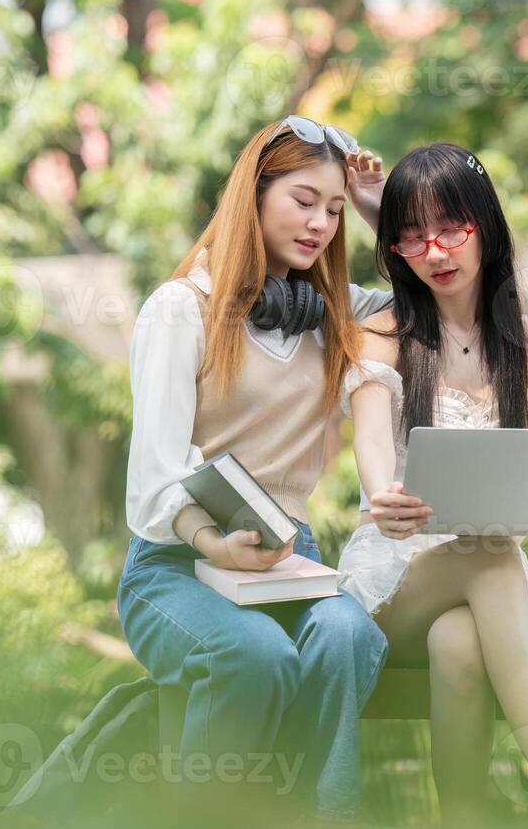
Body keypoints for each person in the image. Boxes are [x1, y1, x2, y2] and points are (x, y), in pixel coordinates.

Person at [339, 143, 528, 829]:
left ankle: (464, 818)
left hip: (484, 585)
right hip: (394, 575)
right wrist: (384, 493)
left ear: (486, 225)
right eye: (412, 236)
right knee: (490, 556)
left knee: (460, 640)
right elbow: (372, 439)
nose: (435, 250)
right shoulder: (384, 331)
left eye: (451, 228)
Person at [115, 117, 391, 822]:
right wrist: (212, 542)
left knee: (348, 635)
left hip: (289, 561)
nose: (320, 224)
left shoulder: (330, 316)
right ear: (254, 193)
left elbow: (441, 300)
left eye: (333, 211)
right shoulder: (182, 310)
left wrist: (375, 210)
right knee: (255, 655)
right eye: (303, 200)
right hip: (177, 565)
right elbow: (154, 476)